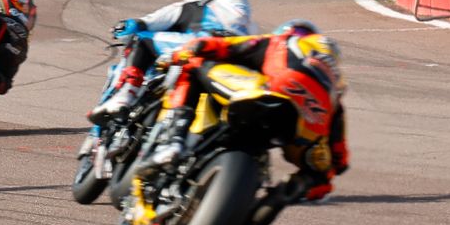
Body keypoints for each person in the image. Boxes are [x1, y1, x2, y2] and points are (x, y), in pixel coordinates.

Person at [139, 20, 348, 201]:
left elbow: (218, 46)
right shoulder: (335, 86)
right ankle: (272, 202)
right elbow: (340, 156)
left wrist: (180, 54)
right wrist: (326, 175)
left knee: (193, 64)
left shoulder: (280, 40)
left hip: (274, 92)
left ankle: (173, 139)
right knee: (318, 176)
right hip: (307, 126)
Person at [89, 0, 254, 122]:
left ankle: (126, 93)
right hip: (233, 58)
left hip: (197, 49)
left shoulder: (189, 7)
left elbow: (143, 23)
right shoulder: (250, 24)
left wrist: (123, 27)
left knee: (143, 41)